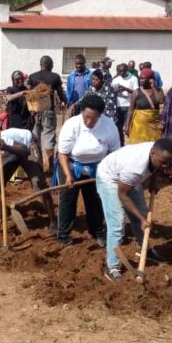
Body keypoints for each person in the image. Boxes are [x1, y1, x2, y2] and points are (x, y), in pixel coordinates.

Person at [96, 139, 172, 281]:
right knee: (117, 223)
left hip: (128, 180)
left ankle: (144, 249)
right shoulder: (136, 167)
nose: (165, 165)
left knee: (143, 213)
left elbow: (156, 168)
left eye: (168, 162)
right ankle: (112, 266)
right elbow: (122, 194)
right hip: (111, 179)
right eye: (163, 162)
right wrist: (141, 220)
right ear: (152, 154)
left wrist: (153, 182)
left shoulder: (157, 155)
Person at [56, 94, 120, 246]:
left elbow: (115, 153)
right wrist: (68, 175)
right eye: (86, 117)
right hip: (71, 166)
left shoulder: (109, 125)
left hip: (97, 170)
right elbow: (62, 153)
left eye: (93, 118)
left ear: (100, 115)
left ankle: (97, 231)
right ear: (82, 112)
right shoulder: (71, 125)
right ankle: (64, 235)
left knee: (95, 202)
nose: (89, 121)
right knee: (67, 201)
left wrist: (110, 174)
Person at [0, 128, 56, 235]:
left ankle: (53, 221)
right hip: (11, 158)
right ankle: (1, 220)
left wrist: (6, 147)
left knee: (39, 184)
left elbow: (25, 151)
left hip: (27, 145)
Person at [28, 56, 67, 172]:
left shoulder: (32, 77)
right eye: (52, 64)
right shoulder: (54, 77)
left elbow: (29, 94)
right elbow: (61, 94)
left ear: (41, 64)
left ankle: (38, 165)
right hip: (48, 112)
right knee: (49, 137)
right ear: (49, 64)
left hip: (34, 111)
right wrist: (65, 103)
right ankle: (49, 167)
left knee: (35, 138)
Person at [124, 68, 164, 144]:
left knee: (152, 148)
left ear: (150, 79)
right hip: (139, 127)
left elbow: (161, 101)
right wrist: (127, 125)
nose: (141, 81)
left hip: (154, 127)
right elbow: (131, 110)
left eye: (143, 79)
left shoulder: (158, 90)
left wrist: (153, 87)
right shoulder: (136, 93)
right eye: (140, 78)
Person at [111, 63, 139, 145]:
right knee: (118, 127)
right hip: (118, 106)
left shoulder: (133, 78)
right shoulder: (115, 80)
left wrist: (126, 89)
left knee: (128, 127)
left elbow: (136, 93)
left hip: (129, 107)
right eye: (120, 71)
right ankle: (121, 144)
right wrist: (117, 91)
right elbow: (111, 92)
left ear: (127, 70)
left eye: (123, 71)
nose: (122, 73)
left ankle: (130, 144)